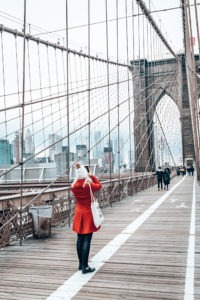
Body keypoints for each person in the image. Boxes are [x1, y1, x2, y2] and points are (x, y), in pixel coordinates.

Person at [71, 163, 102, 274]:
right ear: (85, 173)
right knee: (87, 240)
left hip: (79, 213)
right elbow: (99, 185)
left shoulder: (73, 186)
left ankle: (80, 264)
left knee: (80, 238)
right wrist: (91, 176)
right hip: (88, 213)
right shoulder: (88, 185)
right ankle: (86, 266)